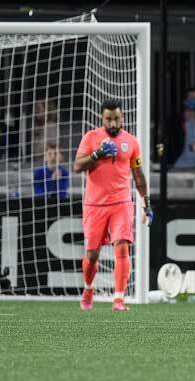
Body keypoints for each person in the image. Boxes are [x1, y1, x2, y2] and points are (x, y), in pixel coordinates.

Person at [73, 99, 153, 312]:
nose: (113, 123)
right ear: (102, 119)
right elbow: (77, 166)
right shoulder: (91, 138)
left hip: (121, 203)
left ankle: (118, 299)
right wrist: (97, 154)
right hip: (94, 205)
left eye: (117, 118)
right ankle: (89, 289)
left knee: (122, 246)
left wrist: (147, 203)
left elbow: (138, 175)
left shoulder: (132, 142)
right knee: (92, 254)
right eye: (108, 119)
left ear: (123, 118)